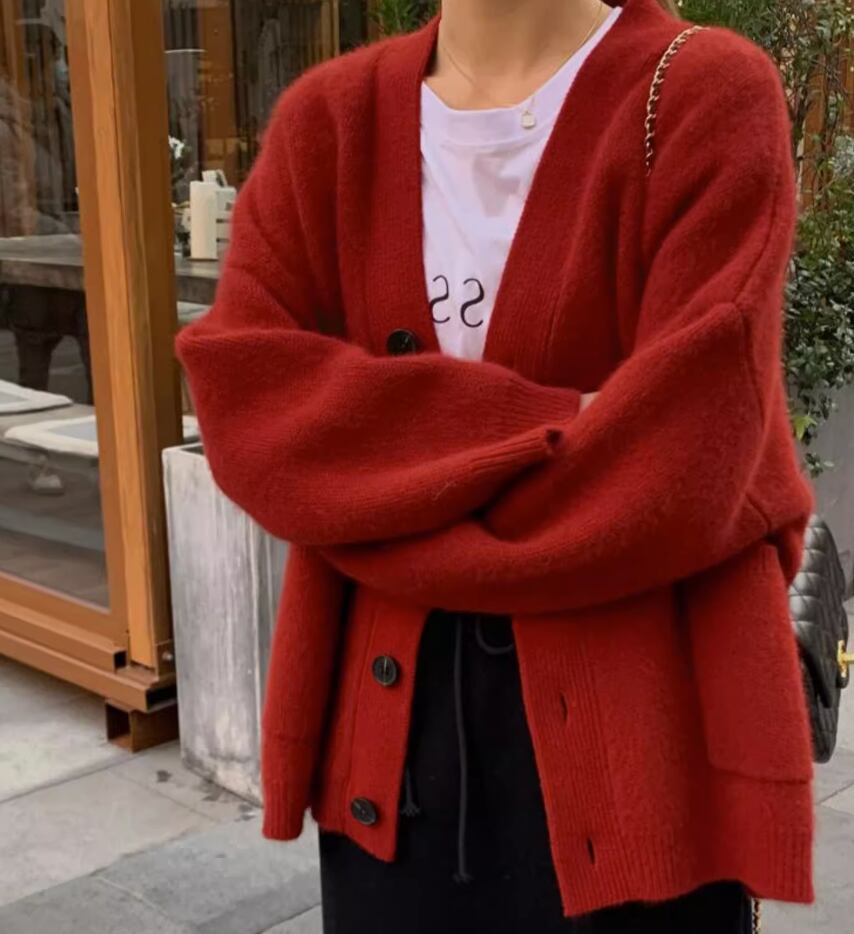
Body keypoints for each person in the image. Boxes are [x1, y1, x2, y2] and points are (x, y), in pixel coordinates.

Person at [176, 0, 817, 931]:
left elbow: (685, 462)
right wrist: (566, 427)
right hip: (389, 774)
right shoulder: (331, 123)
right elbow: (245, 402)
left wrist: (373, 494)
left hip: (640, 766)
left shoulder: (700, 96)